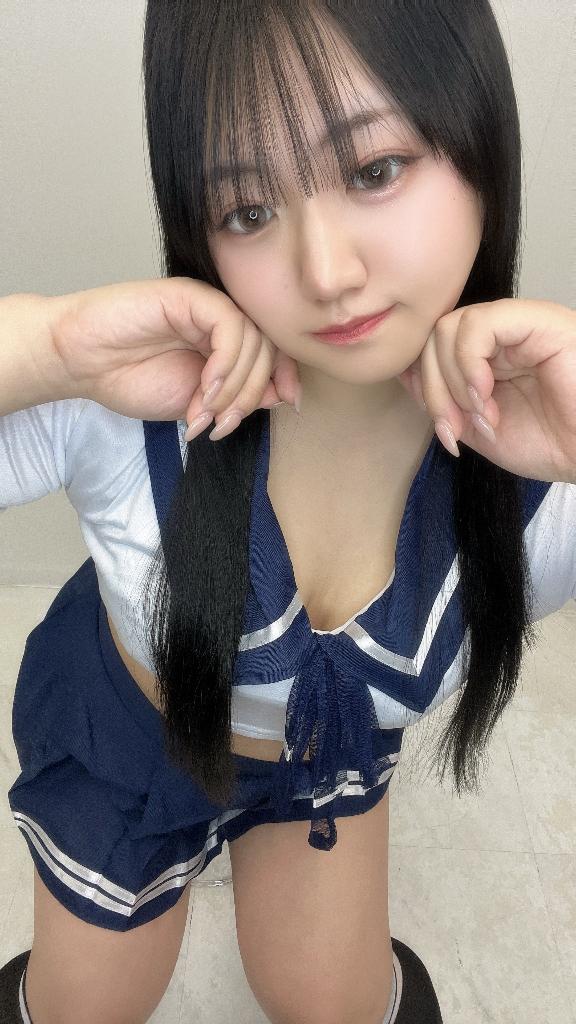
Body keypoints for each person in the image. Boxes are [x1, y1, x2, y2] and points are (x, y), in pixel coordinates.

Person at [1, 2, 575, 1022]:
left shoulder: (544, 483)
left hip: (322, 767)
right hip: (129, 743)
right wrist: (48, 346)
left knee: (334, 1003)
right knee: (85, 1007)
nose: (326, 272)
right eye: (248, 210)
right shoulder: (139, 402)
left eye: (374, 170)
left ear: (479, 128)